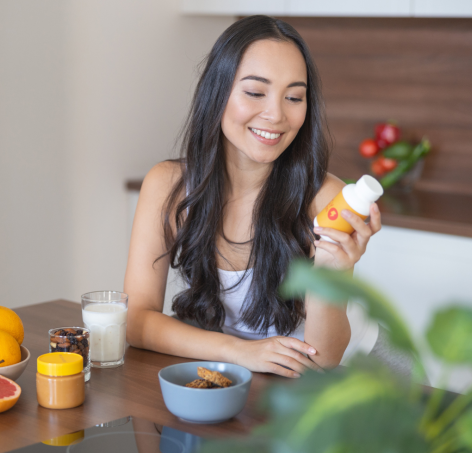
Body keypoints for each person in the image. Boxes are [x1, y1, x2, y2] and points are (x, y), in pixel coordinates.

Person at [124, 15, 382, 378]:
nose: (276, 114)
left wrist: (332, 270)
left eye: (294, 97)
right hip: (251, 373)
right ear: (218, 92)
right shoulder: (168, 186)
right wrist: (240, 352)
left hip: (356, 376)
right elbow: (136, 322)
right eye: (255, 92)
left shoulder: (326, 200)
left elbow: (324, 358)